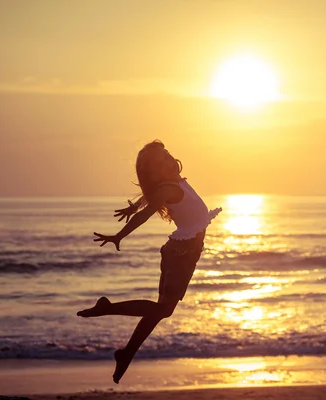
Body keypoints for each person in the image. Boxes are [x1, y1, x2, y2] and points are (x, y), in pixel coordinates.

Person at [77, 140, 221, 384]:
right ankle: (107, 308)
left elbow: (149, 198)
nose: (168, 159)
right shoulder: (168, 189)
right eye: (161, 160)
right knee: (163, 310)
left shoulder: (173, 184)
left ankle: (126, 354)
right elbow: (148, 212)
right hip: (181, 254)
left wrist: (134, 205)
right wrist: (120, 235)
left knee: (158, 311)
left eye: (167, 154)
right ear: (154, 172)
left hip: (181, 252)